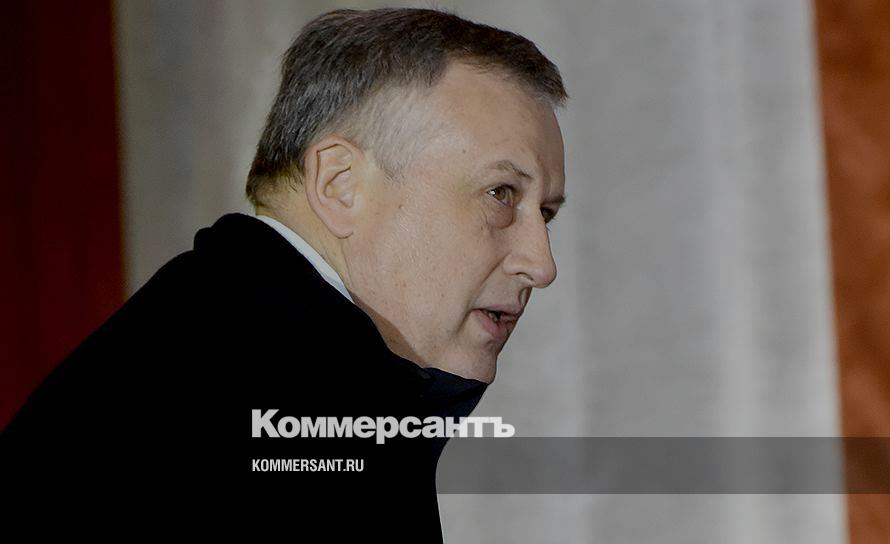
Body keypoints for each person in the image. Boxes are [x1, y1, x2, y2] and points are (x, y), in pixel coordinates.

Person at [1, 7, 567, 540]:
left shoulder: (215, 338)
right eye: (500, 194)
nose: (541, 266)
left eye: (544, 213)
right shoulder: (286, 407)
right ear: (340, 184)